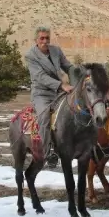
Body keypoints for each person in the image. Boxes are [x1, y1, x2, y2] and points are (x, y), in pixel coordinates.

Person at [24, 26, 73, 168]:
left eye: (47, 38)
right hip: (42, 93)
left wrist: (79, 73)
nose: (45, 41)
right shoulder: (31, 56)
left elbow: (67, 66)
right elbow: (40, 77)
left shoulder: (56, 51)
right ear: (36, 40)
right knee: (45, 117)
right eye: (42, 38)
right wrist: (61, 85)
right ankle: (47, 153)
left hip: (58, 92)